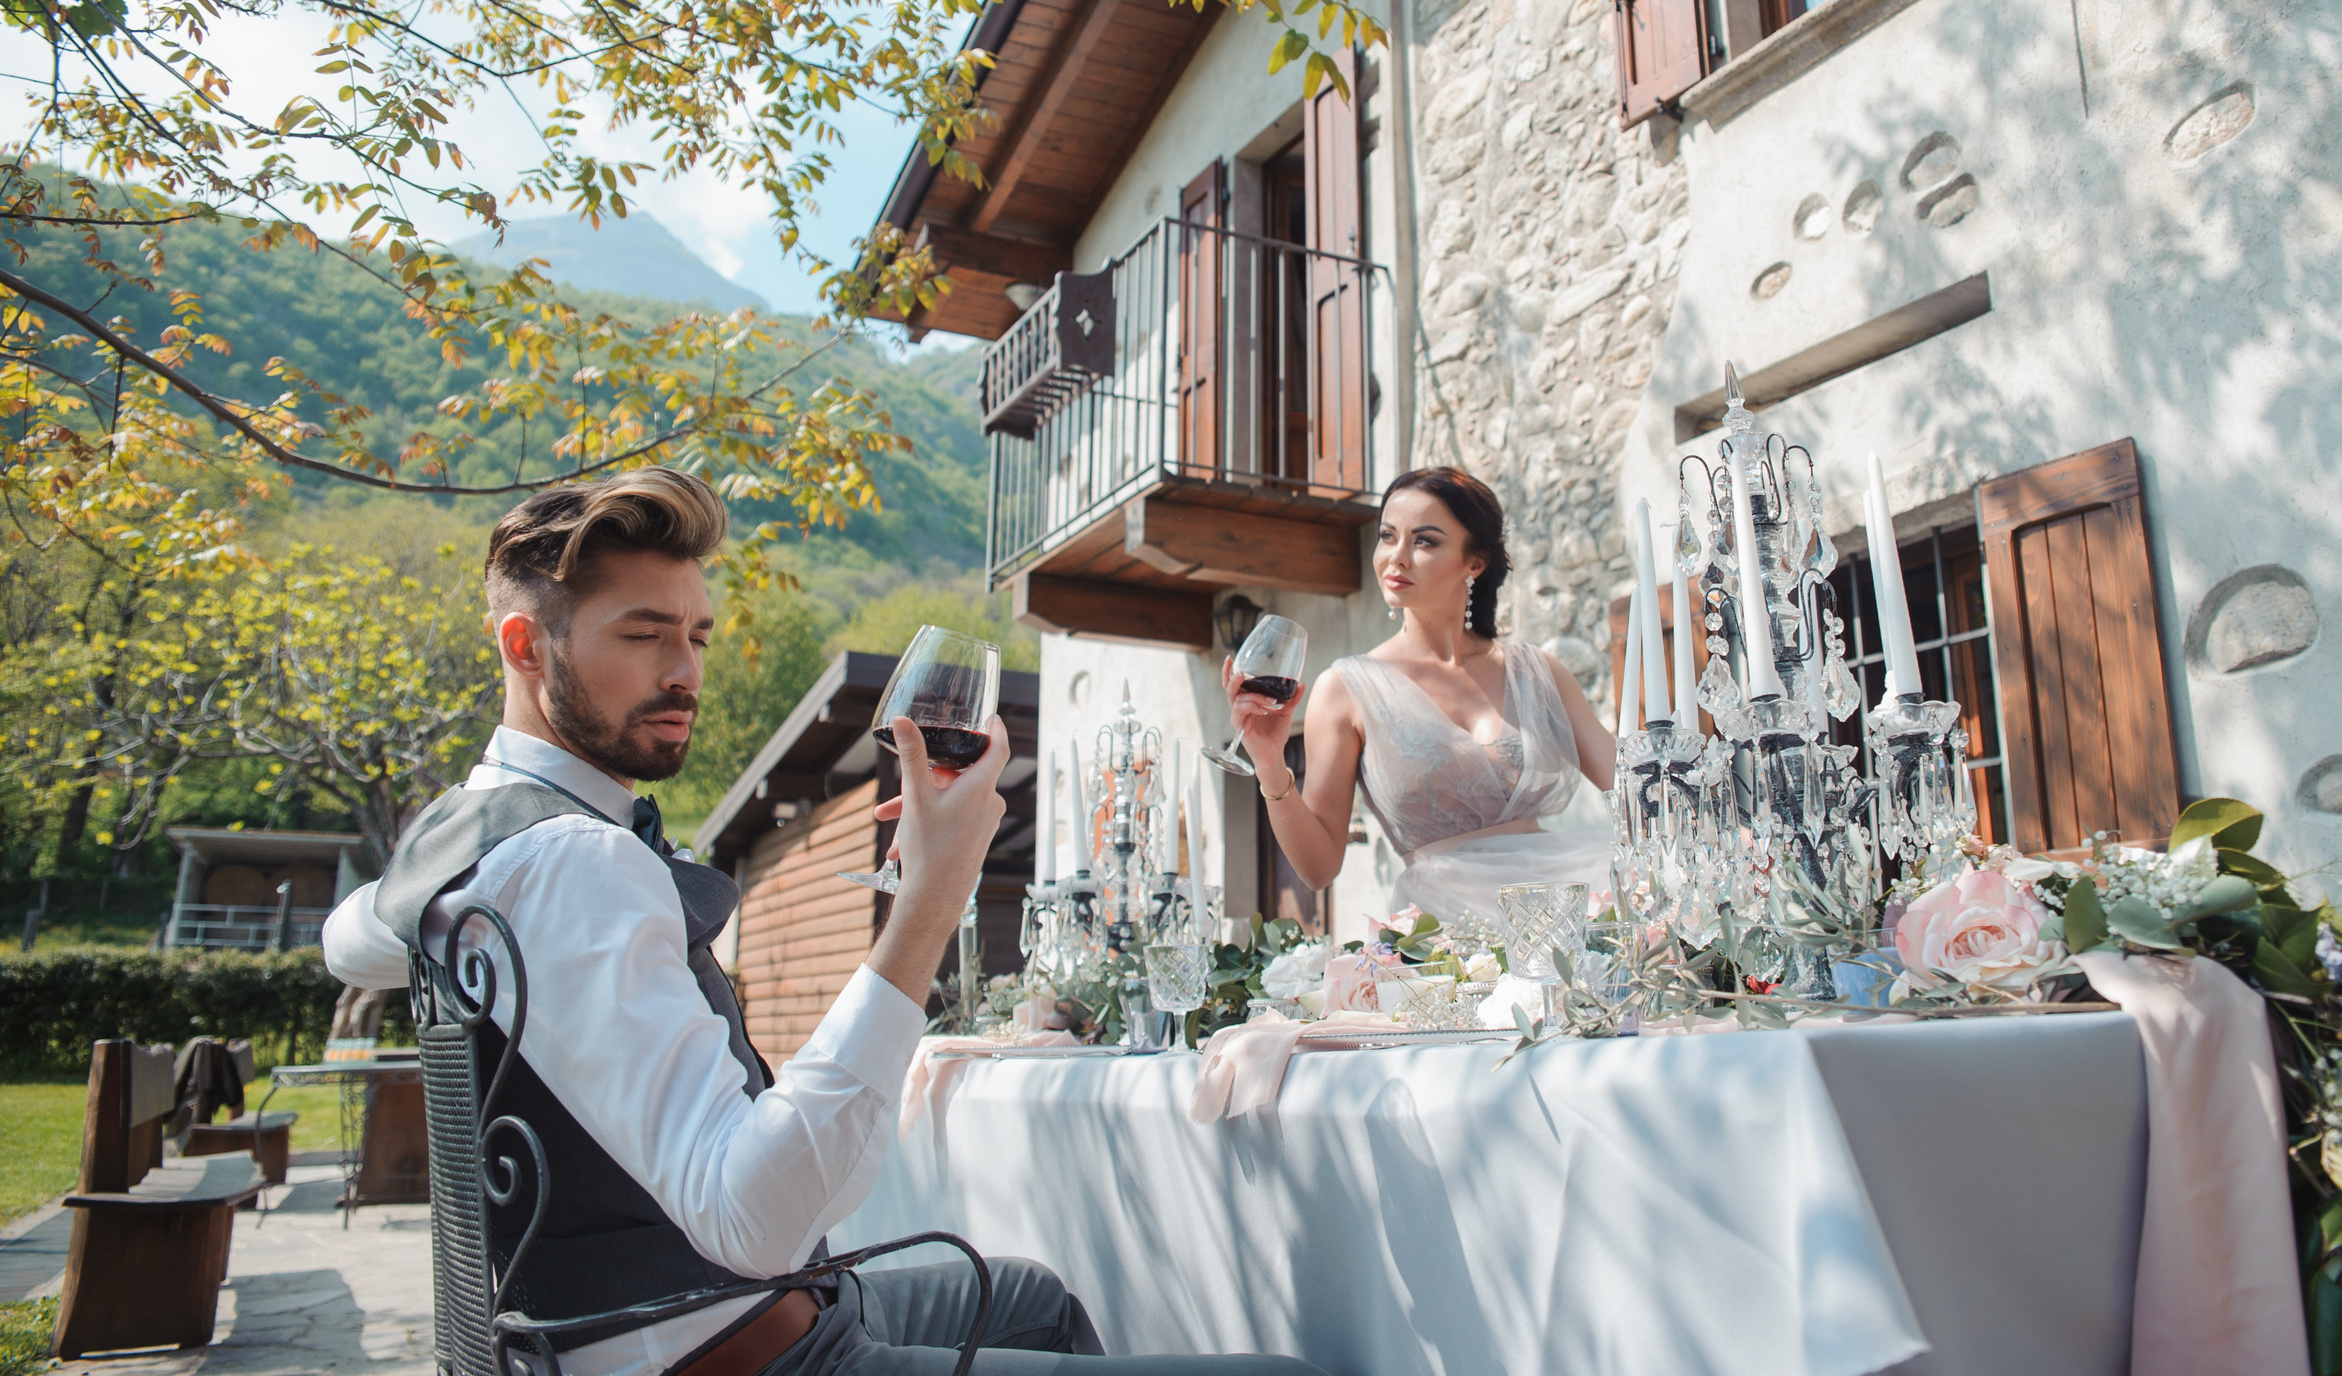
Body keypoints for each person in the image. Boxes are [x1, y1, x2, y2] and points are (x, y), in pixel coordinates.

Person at [324, 468, 1324, 1376]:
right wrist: (932, 898)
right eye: (643, 634)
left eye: (697, 635)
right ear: (525, 646)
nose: (685, 671)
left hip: (660, 1321)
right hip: (736, 1347)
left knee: (1032, 1298)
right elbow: (750, 1216)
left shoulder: (472, 839)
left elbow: (351, 938)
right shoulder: (577, 860)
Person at [1221, 467, 1618, 926]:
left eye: (1424, 541)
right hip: (1446, 942)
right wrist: (1270, 765)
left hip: (1561, 918)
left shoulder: (1539, 673)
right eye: (1388, 536)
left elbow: (1634, 794)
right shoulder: (1346, 689)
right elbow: (1318, 869)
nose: (1397, 557)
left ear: (1475, 562)